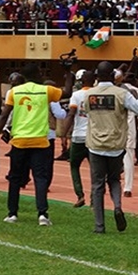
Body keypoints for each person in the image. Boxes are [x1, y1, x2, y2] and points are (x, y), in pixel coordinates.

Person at [0, 60, 75, 226]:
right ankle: (42, 214)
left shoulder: (15, 92)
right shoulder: (45, 90)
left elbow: (5, 114)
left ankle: (12, 213)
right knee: (40, 177)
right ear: (37, 75)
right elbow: (68, 92)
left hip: (19, 141)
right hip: (40, 141)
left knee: (15, 178)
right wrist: (68, 72)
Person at [82, 60, 138, 233]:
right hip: (116, 145)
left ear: (97, 76)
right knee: (114, 180)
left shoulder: (89, 94)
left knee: (97, 185)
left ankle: (99, 226)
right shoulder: (121, 94)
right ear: (113, 76)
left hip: (96, 144)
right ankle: (118, 207)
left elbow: (86, 112)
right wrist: (131, 94)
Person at [62, 70, 93, 208]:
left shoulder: (77, 95)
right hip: (94, 137)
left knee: (74, 166)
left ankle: (80, 195)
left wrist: (64, 133)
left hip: (78, 136)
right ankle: (94, 197)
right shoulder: (98, 94)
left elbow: (71, 114)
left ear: (81, 81)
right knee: (96, 170)